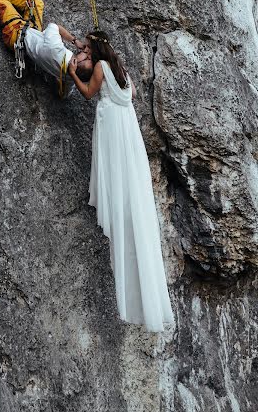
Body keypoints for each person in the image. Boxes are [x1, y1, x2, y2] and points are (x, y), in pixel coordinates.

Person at [69, 30, 175, 332]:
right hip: (127, 127)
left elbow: (88, 93)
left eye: (88, 47)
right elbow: (132, 96)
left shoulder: (100, 67)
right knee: (129, 183)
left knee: (115, 176)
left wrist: (72, 72)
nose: (85, 50)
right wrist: (79, 43)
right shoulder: (121, 69)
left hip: (113, 127)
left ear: (97, 49)